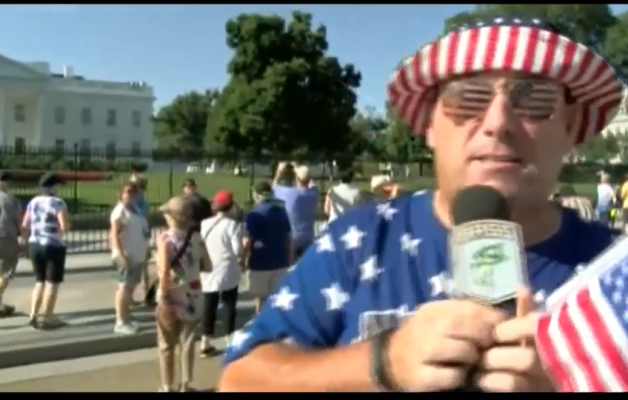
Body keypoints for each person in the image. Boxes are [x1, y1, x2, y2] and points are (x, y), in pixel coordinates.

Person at [219, 16, 624, 392]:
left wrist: (575, 382)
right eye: (469, 98)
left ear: (571, 126)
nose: (497, 122)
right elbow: (238, 380)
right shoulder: (358, 241)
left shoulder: (615, 270)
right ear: (429, 124)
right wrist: (382, 362)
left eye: (533, 100)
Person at [154, 195, 212, 392]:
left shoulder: (164, 239)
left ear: (171, 217)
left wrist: (163, 296)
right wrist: (190, 267)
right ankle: (186, 385)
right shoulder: (197, 238)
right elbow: (208, 266)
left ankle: (167, 386)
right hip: (193, 295)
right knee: (187, 343)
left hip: (170, 296)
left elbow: (163, 271)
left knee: (166, 344)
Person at [21, 172, 70, 330]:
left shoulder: (33, 202)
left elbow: (25, 224)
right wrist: (62, 230)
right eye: (58, 186)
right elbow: (64, 226)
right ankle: (48, 316)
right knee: (52, 283)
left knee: (39, 281)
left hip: (35, 244)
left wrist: (24, 242)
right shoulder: (58, 203)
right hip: (53, 245)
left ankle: (33, 314)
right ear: (53, 187)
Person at [199, 190, 242, 357]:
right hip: (227, 268)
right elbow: (237, 250)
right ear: (231, 207)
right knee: (229, 304)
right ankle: (229, 338)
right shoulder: (232, 225)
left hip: (208, 268)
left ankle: (205, 341)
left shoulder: (204, 223)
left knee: (209, 304)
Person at [244, 181, 292, 314]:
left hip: (260, 263)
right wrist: (289, 258)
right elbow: (288, 238)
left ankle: (261, 323)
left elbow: (247, 241)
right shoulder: (282, 211)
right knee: (276, 299)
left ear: (256, 195)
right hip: (281, 261)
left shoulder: (254, 214)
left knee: (261, 299)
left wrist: (243, 258)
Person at [110, 182, 150, 335]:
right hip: (127, 255)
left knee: (130, 287)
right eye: (128, 191)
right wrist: (120, 254)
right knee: (124, 287)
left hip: (137, 254)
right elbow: (115, 234)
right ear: (121, 194)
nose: (132, 194)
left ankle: (126, 317)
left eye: (134, 191)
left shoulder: (136, 210)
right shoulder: (120, 211)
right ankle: (120, 321)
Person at [272, 164, 319, 259]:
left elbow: (273, 187)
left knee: (290, 265)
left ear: (296, 178)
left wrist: (279, 172)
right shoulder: (314, 194)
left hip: (292, 237)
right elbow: (314, 186)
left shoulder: (289, 193)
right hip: (308, 237)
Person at [0, 172, 22, 318]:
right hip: (6, 237)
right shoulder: (12, 200)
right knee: (5, 272)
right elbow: (19, 222)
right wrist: (23, 240)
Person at [129, 175, 152, 305]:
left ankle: (136, 295)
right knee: (142, 268)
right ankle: (144, 294)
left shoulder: (136, 198)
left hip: (138, 235)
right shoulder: (140, 198)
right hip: (140, 234)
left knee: (139, 268)